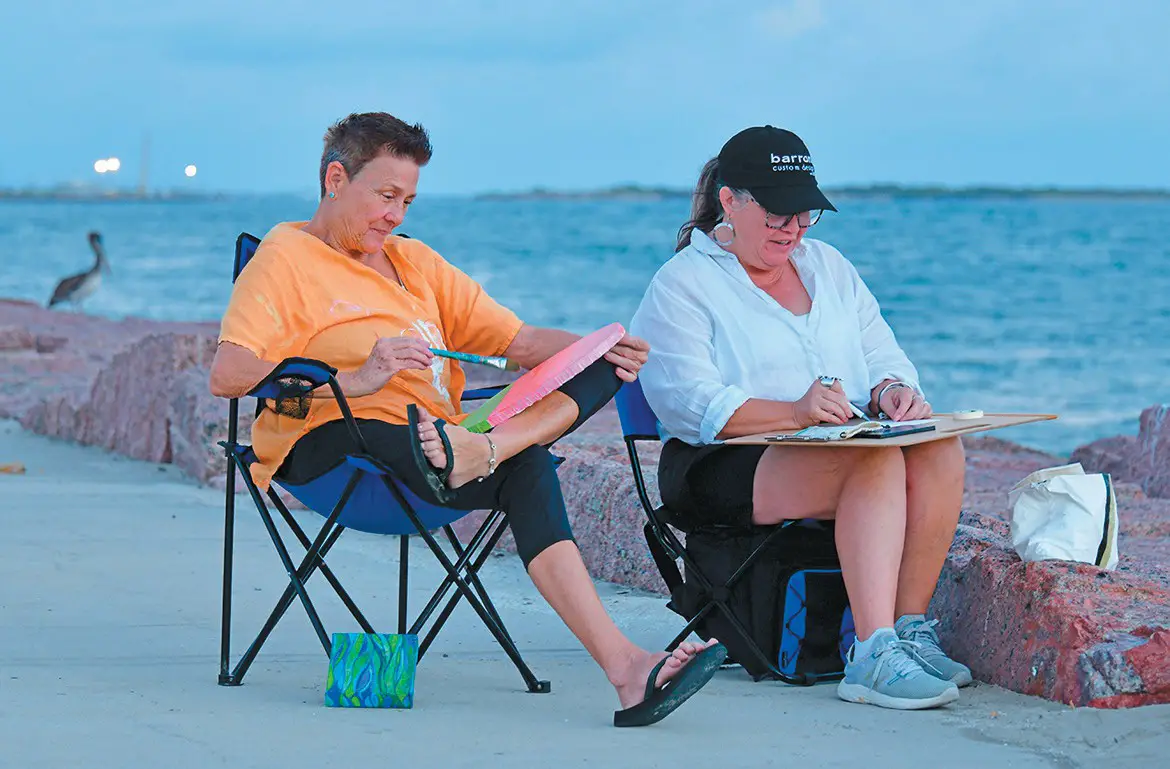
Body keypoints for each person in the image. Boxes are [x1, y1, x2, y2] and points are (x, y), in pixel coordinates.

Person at [208, 111, 724, 726]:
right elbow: (230, 376)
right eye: (385, 195)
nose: (395, 214)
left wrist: (604, 346)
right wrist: (353, 379)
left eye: (407, 200)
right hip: (335, 454)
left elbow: (520, 342)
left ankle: (628, 669)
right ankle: (484, 449)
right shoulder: (285, 257)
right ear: (335, 179)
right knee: (428, 436)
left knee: (595, 370)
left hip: (439, 453)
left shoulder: (416, 262)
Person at [630, 125, 969, 710]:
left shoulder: (829, 267)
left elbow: (881, 351)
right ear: (730, 201)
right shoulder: (683, 283)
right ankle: (871, 651)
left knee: (940, 447)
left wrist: (893, 390)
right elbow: (686, 400)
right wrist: (793, 412)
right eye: (777, 213)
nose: (793, 228)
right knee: (871, 462)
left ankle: (909, 630)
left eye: (804, 213)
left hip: (831, 442)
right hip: (721, 461)